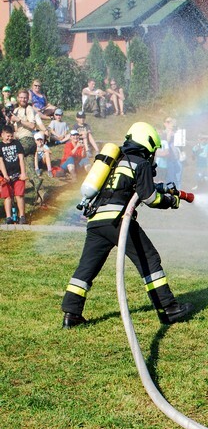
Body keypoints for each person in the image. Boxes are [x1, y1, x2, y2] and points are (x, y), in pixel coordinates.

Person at [60, 122, 192, 328]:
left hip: (96, 221)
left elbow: (128, 188)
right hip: (118, 221)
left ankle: (71, 314)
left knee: (87, 267)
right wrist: (170, 201)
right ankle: (168, 308)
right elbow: (149, 197)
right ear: (148, 144)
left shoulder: (116, 161)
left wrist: (165, 189)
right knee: (149, 258)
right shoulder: (140, 163)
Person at [0, 125, 28, 224]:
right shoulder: (0, 146)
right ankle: (9, 217)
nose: (9, 138)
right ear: (2, 135)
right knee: (7, 196)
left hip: (18, 174)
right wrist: (5, 175)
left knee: (19, 195)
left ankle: (22, 216)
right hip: (5, 176)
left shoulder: (17, 143)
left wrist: (23, 173)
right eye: (7, 136)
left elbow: (21, 159)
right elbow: (0, 161)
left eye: (11, 136)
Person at [156, 117, 183, 189]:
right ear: (164, 123)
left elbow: (181, 145)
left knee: (178, 179)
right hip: (168, 160)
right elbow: (163, 144)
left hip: (177, 159)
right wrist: (169, 134)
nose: (170, 123)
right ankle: (171, 193)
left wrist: (179, 134)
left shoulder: (177, 132)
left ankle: (178, 193)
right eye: (168, 122)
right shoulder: (162, 133)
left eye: (171, 122)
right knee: (170, 179)